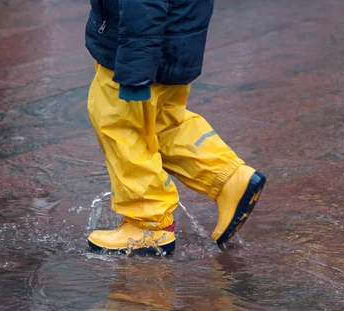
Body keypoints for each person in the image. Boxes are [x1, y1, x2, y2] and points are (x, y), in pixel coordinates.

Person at [84, 0, 265, 255]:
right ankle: (229, 179)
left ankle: (147, 224)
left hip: (137, 55)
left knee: (121, 126)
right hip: (170, 45)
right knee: (163, 123)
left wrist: (135, 73)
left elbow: (143, 7)